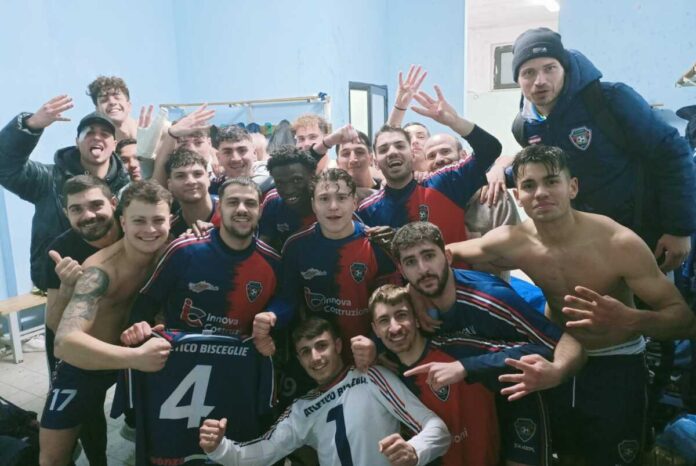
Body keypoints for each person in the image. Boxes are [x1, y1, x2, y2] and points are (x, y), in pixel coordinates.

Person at [447, 145, 696, 464]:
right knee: (562, 456)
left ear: (572, 187)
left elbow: (684, 321)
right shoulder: (513, 240)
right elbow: (443, 253)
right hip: (556, 354)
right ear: (517, 196)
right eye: (529, 185)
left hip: (616, 361)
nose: (541, 193)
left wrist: (629, 318)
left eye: (552, 181)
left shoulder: (617, 243)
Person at [392, 221, 584, 465]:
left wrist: (558, 371)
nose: (423, 269)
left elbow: (562, 344)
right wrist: (373, 347)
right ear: (402, 270)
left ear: (447, 257)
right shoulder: (409, 307)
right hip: (471, 403)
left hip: (517, 396)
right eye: (411, 262)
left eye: (429, 256)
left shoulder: (490, 299)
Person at [510, 27, 696, 272]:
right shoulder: (524, 126)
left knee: (656, 296)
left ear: (564, 68)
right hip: (583, 243)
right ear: (518, 80)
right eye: (528, 72)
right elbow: (544, 173)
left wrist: (679, 229)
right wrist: (499, 171)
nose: (540, 80)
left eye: (549, 68)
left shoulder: (610, 99)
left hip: (645, 235)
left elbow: (673, 154)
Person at [39, 181, 173, 466]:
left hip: (137, 350)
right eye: (139, 221)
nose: (150, 229)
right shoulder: (98, 271)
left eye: (158, 221)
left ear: (170, 221)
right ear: (123, 222)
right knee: (52, 457)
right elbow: (64, 343)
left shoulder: (169, 250)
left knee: (158, 437)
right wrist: (135, 357)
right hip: (91, 360)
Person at [199, 317, 451, 466]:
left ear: (338, 346)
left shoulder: (371, 377)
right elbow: (264, 452)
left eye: (321, 346)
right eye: (305, 351)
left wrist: (414, 451)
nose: (315, 357)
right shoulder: (301, 409)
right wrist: (220, 448)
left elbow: (438, 430)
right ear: (299, 360)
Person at [254, 168, 399, 363]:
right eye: (324, 199)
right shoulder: (296, 246)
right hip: (319, 358)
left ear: (354, 202)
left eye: (341, 198)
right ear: (313, 205)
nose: (333, 206)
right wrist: (272, 315)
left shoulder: (377, 245)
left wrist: (376, 345)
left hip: (368, 353)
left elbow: (391, 305)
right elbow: (288, 298)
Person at [356, 85, 502, 262]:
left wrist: (454, 121)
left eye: (400, 146)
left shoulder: (446, 183)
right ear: (375, 162)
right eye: (384, 149)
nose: (392, 152)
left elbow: (490, 149)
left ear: (413, 153)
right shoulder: (367, 210)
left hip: (455, 278)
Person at [125, 177, 281, 338]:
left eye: (250, 203)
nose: (242, 209)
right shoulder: (184, 251)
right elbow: (146, 305)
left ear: (260, 211)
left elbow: (277, 315)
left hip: (238, 352)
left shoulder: (272, 263)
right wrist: (138, 337)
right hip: (178, 350)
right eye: (233, 202)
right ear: (219, 208)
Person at [0, 98, 130, 291]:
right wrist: (30, 125)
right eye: (89, 133)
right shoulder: (47, 179)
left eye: (104, 134)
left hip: (120, 285)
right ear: (77, 142)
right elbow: (5, 167)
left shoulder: (128, 188)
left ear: (114, 144)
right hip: (57, 286)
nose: (97, 137)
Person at [370, 284, 500, 465]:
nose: (394, 327)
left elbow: (518, 354)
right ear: (375, 330)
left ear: (416, 318)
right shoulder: (387, 380)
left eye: (401, 315)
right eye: (384, 320)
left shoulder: (460, 350)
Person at [43, 175, 122, 465]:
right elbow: (54, 324)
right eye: (76, 209)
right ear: (66, 213)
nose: (88, 215)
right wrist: (66, 288)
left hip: (130, 331)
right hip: (83, 340)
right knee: (86, 411)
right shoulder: (60, 251)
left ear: (113, 203)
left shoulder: (136, 230)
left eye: (96, 205)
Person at [259, 146, 319, 251]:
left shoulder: (329, 202)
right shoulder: (273, 203)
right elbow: (263, 246)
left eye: (296, 180)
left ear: (312, 176)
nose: (288, 190)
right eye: (280, 183)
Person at [164, 148, 220, 237]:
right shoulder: (169, 230)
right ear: (169, 185)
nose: (191, 181)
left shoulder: (230, 210)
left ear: (208, 178)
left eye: (197, 174)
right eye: (180, 176)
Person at [86, 76, 138, 140]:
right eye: (104, 100)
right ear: (97, 110)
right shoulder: (99, 143)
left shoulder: (148, 130)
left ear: (129, 105)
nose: (112, 102)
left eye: (117, 97)